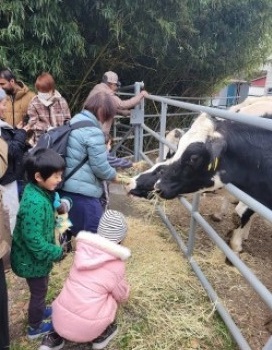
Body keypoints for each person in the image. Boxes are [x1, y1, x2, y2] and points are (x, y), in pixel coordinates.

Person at [39, 210, 131, 350]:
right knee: (112, 297)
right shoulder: (117, 265)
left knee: (76, 289)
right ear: (120, 238)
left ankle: (54, 338)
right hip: (88, 330)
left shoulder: (82, 250)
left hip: (59, 319)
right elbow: (122, 295)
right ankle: (102, 335)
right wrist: (126, 292)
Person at [10, 148, 68, 340]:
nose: (60, 179)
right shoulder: (34, 204)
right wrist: (56, 253)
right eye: (56, 175)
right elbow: (34, 242)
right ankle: (34, 327)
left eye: (61, 174)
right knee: (39, 291)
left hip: (35, 260)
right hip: (31, 261)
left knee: (41, 288)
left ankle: (40, 310)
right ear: (38, 176)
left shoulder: (39, 192)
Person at [60, 92, 117, 234]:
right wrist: (115, 175)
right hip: (83, 194)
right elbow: (100, 168)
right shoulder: (93, 131)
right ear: (102, 111)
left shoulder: (73, 121)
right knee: (93, 235)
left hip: (63, 189)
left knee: (64, 231)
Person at [0, 88, 30, 232]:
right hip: (4, 183)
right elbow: (10, 151)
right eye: (3, 104)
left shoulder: (3, 127)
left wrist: (14, 130)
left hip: (8, 180)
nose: (5, 108)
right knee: (8, 220)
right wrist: (21, 133)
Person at [83, 71, 149, 134]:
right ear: (110, 83)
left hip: (86, 126)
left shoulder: (97, 88)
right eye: (116, 85)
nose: (116, 87)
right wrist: (141, 95)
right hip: (96, 130)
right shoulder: (106, 93)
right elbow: (122, 104)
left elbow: (104, 107)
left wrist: (123, 112)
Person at [27, 72, 71, 144]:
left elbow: (67, 120)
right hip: (42, 139)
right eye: (39, 91)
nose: (41, 93)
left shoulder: (61, 101)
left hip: (60, 139)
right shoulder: (34, 102)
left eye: (44, 91)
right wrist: (47, 128)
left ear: (51, 89)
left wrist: (61, 130)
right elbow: (32, 123)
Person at [101, 133, 134, 210]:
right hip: (101, 183)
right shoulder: (102, 154)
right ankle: (104, 216)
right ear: (104, 144)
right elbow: (115, 161)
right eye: (109, 144)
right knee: (105, 199)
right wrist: (131, 164)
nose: (110, 147)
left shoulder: (96, 152)